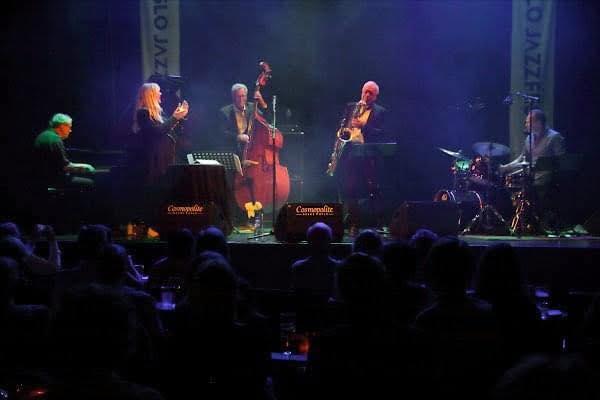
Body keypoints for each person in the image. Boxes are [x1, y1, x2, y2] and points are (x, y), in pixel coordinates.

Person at [499, 109, 565, 229]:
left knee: (533, 187)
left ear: (538, 123)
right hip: (531, 176)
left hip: (547, 178)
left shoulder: (554, 137)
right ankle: (523, 220)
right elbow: (522, 158)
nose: (525, 124)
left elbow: (561, 161)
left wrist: (546, 167)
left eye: (528, 122)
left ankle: (542, 220)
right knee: (510, 181)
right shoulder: (529, 139)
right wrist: (505, 167)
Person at [335, 81, 387, 231]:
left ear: (376, 96)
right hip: (352, 151)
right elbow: (343, 125)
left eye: (371, 93)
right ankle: (354, 223)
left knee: (374, 188)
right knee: (351, 188)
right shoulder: (351, 107)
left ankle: (380, 222)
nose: (367, 95)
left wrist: (363, 126)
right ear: (361, 92)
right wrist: (343, 130)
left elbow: (382, 133)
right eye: (365, 91)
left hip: (370, 154)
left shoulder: (381, 111)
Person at [129, 82, 189, 185]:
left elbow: (170, 129)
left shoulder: (159, 114)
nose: (161, 93)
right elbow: (158, 131)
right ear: (151, 94)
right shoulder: (143, 113)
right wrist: (175, 117)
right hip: (154, 159)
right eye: (159, 91)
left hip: (165, 156)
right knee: (157, 187)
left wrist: (180, 116)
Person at [33, 113, 95, 188]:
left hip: (41, 178)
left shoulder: (44, 135)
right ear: (62, 126)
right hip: (52, 180)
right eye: (69, 127)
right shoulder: (55, 139)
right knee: (90, 182)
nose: (70, 130)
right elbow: (65, 167)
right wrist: (86, 166)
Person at [218, 83, 268, 161]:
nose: (241, 99)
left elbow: (266, 119)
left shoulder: (252, 107)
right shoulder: (225, 112)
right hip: (233, 152)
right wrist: (238, 137)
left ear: (246, 96)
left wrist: (261, 101)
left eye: (243, 96)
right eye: (238, 96)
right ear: (233, 97)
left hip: (252, 151)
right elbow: (221, 132)